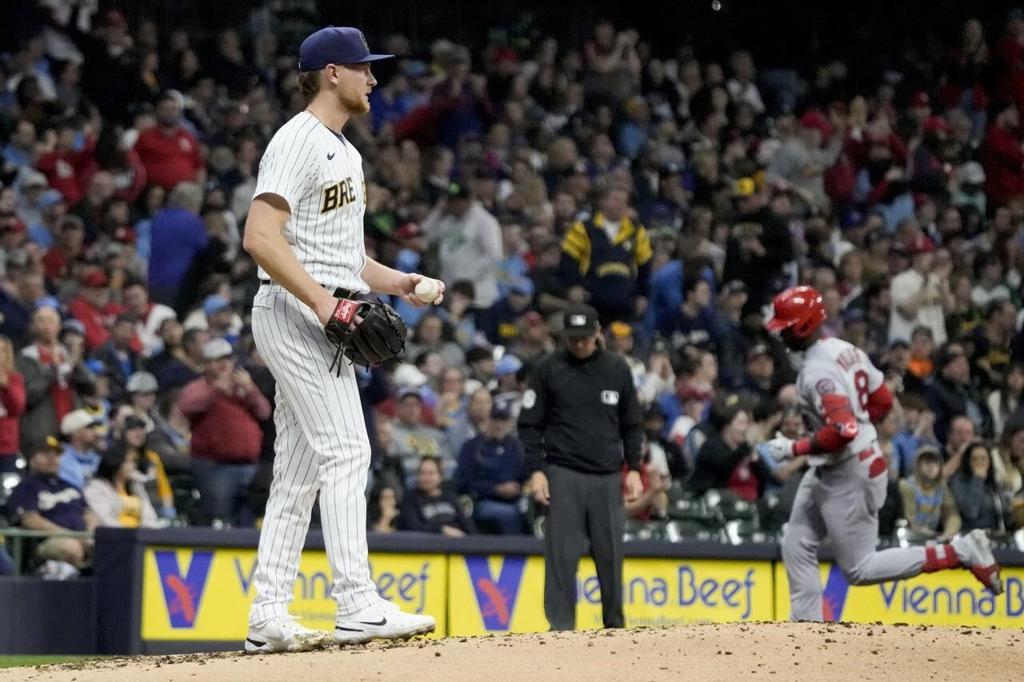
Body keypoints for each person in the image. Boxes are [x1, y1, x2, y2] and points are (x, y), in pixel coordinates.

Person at [240, 27, 438, 653]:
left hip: (324, 310)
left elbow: (344, 258)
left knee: (298, 475)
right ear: (333, 73)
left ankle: (268, 613)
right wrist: (326, 304)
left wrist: (400, 282)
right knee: (349, 450)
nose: (373, 79)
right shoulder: (297, 140)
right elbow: (260, 237)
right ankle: (356, 602)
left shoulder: (345, 152)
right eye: (364, 69)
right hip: (296, 313)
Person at [763, 286, 1002, 622]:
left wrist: (794, 447)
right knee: (797, 543)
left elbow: (844, 430)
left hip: (849, 471)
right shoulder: (845, 349)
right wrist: (859, 429)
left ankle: (959, 551)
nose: (782, 333)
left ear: (803, 326)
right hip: (838, 464)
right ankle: (807, 630)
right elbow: (882, 401)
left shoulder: (817, 371)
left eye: (787, 326)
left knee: (860, 568)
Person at [518, 303, 644, 631]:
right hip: (563, 472)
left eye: (585, 338)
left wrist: (634, 468)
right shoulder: (547, 369)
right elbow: (530, 424)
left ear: (598, 333)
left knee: (611, 556)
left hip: (607, 474)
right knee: (561, 556)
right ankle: (560, 629)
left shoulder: (617, 369)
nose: (579, 344)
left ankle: (614, 626)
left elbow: (632, 424)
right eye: (573, 339)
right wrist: (536, 470)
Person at [179, 338, 270, 524]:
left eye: (227, 359)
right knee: (219, 518)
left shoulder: (242, 387)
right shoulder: (199, 387)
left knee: (250, 517)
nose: (224, 364)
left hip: (249, 465)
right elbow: (187, 405)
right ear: (206, 364)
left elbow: (264, 412)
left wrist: (250, 389)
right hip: (215, 466)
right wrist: (215, 390)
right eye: (218, 359)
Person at [5, 436, 97, 574]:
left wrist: (89, 534)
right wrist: (72, 536)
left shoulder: (69, 486)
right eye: (45, 454)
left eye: (56, 454)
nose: (52, 458)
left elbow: (89, 514)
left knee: (108, 547)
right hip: (45, 543)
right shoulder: (26, 487)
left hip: (82, 539)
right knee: (70, 547)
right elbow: (31, 520)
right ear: (32, 459)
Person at [455, 399, 527, 535]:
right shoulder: (472, 446)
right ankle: (515, 552)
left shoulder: (517, 447)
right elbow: (463, 482)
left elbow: (526, 476)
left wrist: (521, 487)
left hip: (517, 498)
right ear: (488, 420)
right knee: (509, 514)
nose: (499, 425)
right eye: (495, 419)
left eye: (503, 420)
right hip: (483, 500)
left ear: (510, 422)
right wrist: (496, 489)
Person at [397, 456, 475, 535]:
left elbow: (467, 524)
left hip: (458, 543)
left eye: (431, 473)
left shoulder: (451, 498)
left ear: (440, 476)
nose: (426, 478)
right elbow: (414, 527)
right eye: (422, 473)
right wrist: (442, 529)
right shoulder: (410, 500)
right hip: (428, 544)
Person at [83, 446, 160, 528]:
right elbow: (104, 519)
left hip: (140, 536)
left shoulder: (136, 487)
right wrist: (126, 533)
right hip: (115, 536)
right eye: (129, 462)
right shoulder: (96, 488)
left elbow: (150, 516)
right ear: (116, 464)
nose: (133, 466)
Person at [898, 446, 962, 542]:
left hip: (933, 538)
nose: (931, 466)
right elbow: (909, 519)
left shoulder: (941, 488)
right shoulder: (906, 486)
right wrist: (931, 535)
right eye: (927, 462)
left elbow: (952, 513)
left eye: (935, 463)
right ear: (918, 465)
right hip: (909, 538)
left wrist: (949, 532)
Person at [949, 441, 1011, 534]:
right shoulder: (959, 481)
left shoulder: (992, 482)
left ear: (989, 461)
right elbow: (971, 512)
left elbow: (1004, 513)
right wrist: (977, 480)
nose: (980, 462)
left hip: (996, 534)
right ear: (968, 462)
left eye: (983, 458)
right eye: (975, 459)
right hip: (971, 535)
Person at [0, 335, 27, 473]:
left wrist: (6, 387)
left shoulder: (14, 379)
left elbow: (18, 407)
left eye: (2, 350)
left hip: (6, 448)